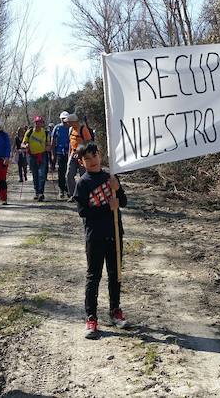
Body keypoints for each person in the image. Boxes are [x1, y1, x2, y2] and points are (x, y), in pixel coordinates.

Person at [74, 142, 128, 339]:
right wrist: (107, 207)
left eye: (94, 156)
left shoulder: (110, 177)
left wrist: (118, 189)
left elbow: (123, 202)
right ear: (81, 162)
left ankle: (115, 310)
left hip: (114, 234)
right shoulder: (83, 183)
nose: (92, 161)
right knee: (93, 276)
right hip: (95, 236)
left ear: (100, 155)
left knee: (115, 274)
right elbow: (83, 212)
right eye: (87, 158)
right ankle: (91, 317)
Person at [65, 113, 94, 201]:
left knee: (83, 176)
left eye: (69, 122)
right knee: (69, 175)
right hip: (73, 155)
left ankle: (85, 195)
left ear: (74, 121)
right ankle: (73, 195)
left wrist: (80, 150)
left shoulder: (83, 129)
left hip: (83, 156)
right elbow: (71, 143)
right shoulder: (70, 129)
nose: (67, 123)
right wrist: (69, 155)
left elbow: (89, 142)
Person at [22, 116, 50, 201]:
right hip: (32, 156)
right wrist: (25, 145)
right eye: (37, 122)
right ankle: (36, 192)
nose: (38, 124)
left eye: (40, 122)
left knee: (42, 174)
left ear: (42, 124)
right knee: (35, 175)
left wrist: (48, 147)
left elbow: (48, 144)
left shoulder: (45, 133)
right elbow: (22, 144)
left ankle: (41, 193)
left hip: (42, 155)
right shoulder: (29, 132)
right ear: (35, 123)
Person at [51, 111, 71, 199]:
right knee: (61, 172)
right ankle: (61, 189)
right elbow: (53, 141)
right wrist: (53, 154)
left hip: (69, 153)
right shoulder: (57, 128)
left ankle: (69, 189)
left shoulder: (71, 128)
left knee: (69, 172)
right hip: (59, 153)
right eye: (62, 118)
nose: (64, 120)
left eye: (65, 118)